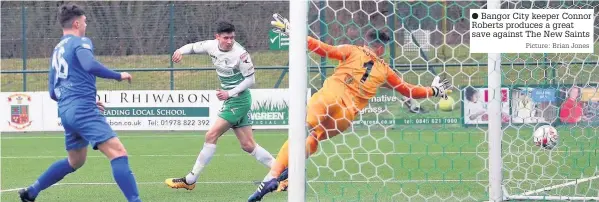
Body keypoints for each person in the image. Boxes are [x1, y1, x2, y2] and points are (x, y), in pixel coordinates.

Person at [247, 14, 451, 202]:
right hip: (345, 116)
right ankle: (286, 174)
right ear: (381, 49)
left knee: (300, 131)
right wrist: (433, 90)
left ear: (366, 43)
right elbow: (409, 90)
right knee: (314, 138)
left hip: (330, 97)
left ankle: (272, 176)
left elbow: (324, 49)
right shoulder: (384, 70)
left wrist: (295, 34)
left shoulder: (353, 50)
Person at [19, 3, 141, 202]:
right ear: (76, 23)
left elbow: (52, 91)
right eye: (85, 21)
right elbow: (89, 64)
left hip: (66, 110)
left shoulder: (57, 49)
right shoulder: (80, 42)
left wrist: (78, 101)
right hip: (81, 109)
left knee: (75, 161)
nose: (86, 25)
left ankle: (32, 191)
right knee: (118, 152)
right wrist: (118, 76)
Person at [164, 21, 275, 190]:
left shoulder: (241, 54)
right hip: (234, 100)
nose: (229, 41)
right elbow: (193, 47)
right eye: (226, 38)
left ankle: (190, 180)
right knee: (248, 145)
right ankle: (283, 172)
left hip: (238, 100)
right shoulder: (211, 46)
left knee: (211, 135)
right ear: (217, 37)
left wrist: (229, 93)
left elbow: (251, 80)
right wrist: (180, 51)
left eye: (232, 37)